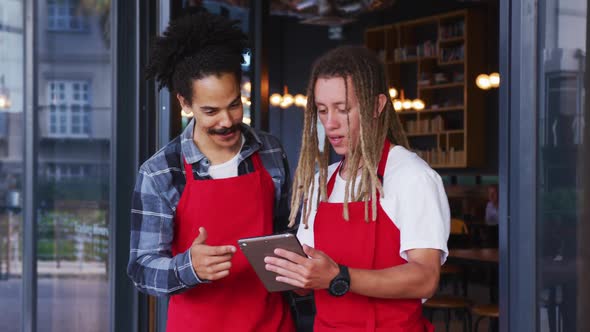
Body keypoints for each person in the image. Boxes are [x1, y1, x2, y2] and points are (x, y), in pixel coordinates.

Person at [127, 12, 294, 332]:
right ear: (184, 103)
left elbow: (286, 231)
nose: (227, 121)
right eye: (210, 111)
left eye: (234, 104)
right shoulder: (161, 173)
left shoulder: (270, 151)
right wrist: (188, 267)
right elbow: (141, 269)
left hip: (272, 323)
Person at [264, 46, 450, 331]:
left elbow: (426, 277)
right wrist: (294, 275)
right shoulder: (320, 182)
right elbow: (307, 280)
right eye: (322, 111)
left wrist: (340, 277)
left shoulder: (411, 176)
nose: (330, 123)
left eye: (343, 109)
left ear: (376, 106)